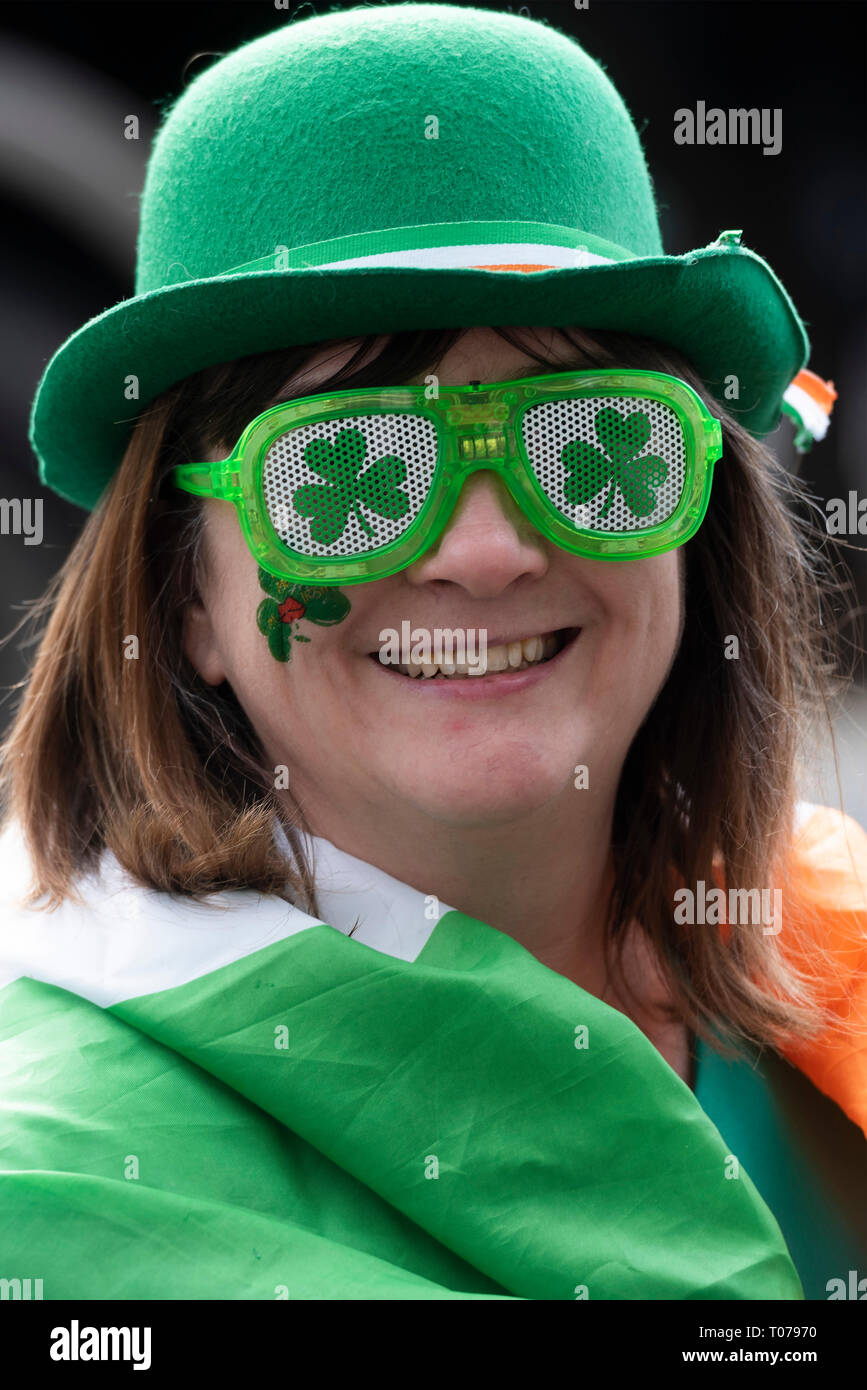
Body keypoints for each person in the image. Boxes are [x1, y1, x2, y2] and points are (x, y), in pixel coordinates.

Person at [0, 2, 864, 1302]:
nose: (488, 550)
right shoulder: (57, 1205)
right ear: (184, 592)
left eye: (592, 444)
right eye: (346, 471)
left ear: (700, 530)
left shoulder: (827, 933)